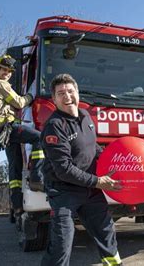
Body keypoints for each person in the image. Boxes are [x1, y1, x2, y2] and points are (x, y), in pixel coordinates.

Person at [41, 73, 122, 266]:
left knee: (106, 234)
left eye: (70, 91)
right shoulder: (54, 126)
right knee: (61, 244)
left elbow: (93, 147)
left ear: (77, 93)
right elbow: (63, 169)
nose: (67, 96)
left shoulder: (86, 116)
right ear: (54, 99)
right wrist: (98, 181)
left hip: (91, 192)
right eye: (61, 93)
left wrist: (109, 159)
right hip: (64, 192)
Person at [0, 54, 44, 216]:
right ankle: (37, 178)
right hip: (8, 127)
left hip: (2, 130)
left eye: (10, 71)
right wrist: (32, 96)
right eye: (4, 69)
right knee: (38, 137)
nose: (7, 73)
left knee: (15, 167)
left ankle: (16, 205)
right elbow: (19, 102)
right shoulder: (0, 84)